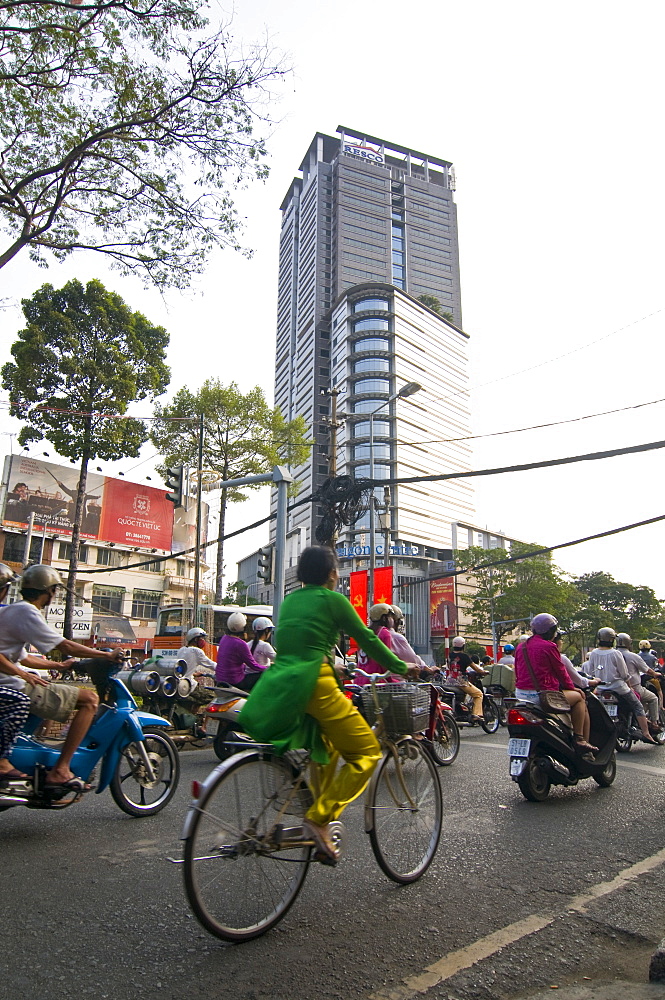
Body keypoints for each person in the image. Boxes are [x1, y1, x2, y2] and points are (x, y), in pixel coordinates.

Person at [239, 545, 410, 864]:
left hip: (283, 686)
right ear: (333, 574)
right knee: (368, 752)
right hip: (315, 684)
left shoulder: (289, 602)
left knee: (327, 746)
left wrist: (334, 665)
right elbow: (368, 639)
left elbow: (298, 644)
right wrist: (402, 666)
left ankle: (317, 814)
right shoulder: (334, 599)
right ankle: (318, 819)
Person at [0, 564, 124, 787]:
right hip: (10, 683)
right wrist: (106, 656)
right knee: (90, 700)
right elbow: (66, 645)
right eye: (54, 591)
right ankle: (61, 768)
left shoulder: (11, 610)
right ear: (49, 591)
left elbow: (25, 658)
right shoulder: (27, 611)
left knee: (46, 686)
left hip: (11, 680)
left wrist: (59, 665)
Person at [514, 613, 598, 754]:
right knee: (580, 698)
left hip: (520, 695)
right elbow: (561, 673)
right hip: (542, 695)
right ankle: (580, 739)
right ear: (551, 631)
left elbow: (517, 670)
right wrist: (573, 689)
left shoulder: (520, 647)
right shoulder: (549, 646)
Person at [586, 627, 658, 745]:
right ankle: (646, 733)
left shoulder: (593, 653)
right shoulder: (615, 653)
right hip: (619, 688)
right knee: (637, 706)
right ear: (612, 640)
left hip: (601, 689)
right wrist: (629, 686)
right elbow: (624, 674)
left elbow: (591, 673)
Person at [616, 633, 662, 734]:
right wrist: (655, 674)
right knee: (654, 698)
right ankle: (654, 723)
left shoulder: (612, 654)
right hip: (632, 687)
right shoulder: (633, 656)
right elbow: (648, 670)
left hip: (612, 688)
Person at [215, 612, 265, 692]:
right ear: (243, 627)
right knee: (263, 675)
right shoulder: (241, 644)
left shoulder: (224, 638)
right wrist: (269, 668)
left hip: (220, 679)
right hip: (235, 681)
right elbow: (254, 666)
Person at [356, 604, 401, 684]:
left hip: (359, 681)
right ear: (384, 618)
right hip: (376, 681)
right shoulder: (384, 633)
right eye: (390, 617)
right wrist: (391, 681)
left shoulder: (364, 633)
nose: (392, 620)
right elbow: (385, 660)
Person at [390, 605, 436, 678]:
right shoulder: (396, 637)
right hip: (395, 683)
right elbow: (413, 659)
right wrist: (428, 669)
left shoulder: (373, 637)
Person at [447, 636, 484, 720]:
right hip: (461, 681)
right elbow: (476, 668)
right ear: (463, 646)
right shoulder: (465, 656)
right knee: (478, 694)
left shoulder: (449, 655)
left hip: (449, 681)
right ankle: (476, 714)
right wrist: (483, 672)